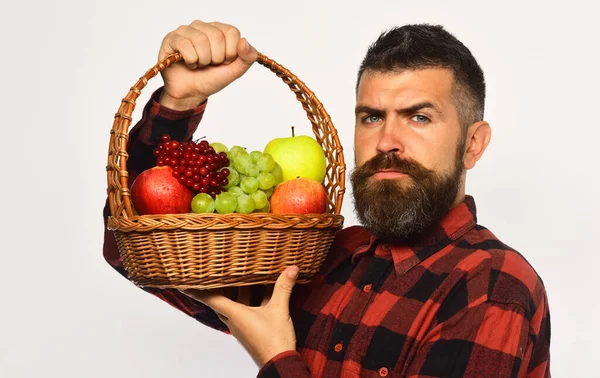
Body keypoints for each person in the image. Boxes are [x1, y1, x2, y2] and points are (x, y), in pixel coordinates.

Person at [103, 20, 551, 377]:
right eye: (372, 117)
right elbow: (133, 252)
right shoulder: (324, 256)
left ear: (473, 144)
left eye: (419, 117)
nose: (387, 141)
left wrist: (277, 359)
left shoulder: (492, 287)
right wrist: (179, 104)